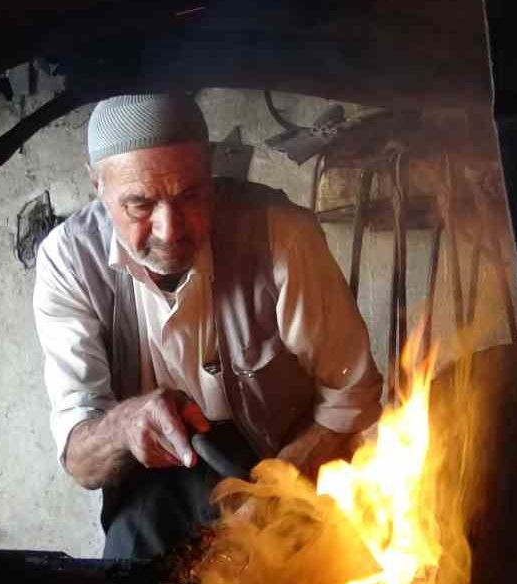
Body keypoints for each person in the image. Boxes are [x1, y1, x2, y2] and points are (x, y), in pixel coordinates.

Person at [33, 93, 383, 558]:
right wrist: (124, 426)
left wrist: (276, 490)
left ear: (212, 176)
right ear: (98, 184)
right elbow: (81, 459)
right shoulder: (69, 261)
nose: (170, 229)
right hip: (152, 479)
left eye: (190, 195)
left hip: (284, 454)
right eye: (140, 204)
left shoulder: (281, 235)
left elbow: (351, 395)